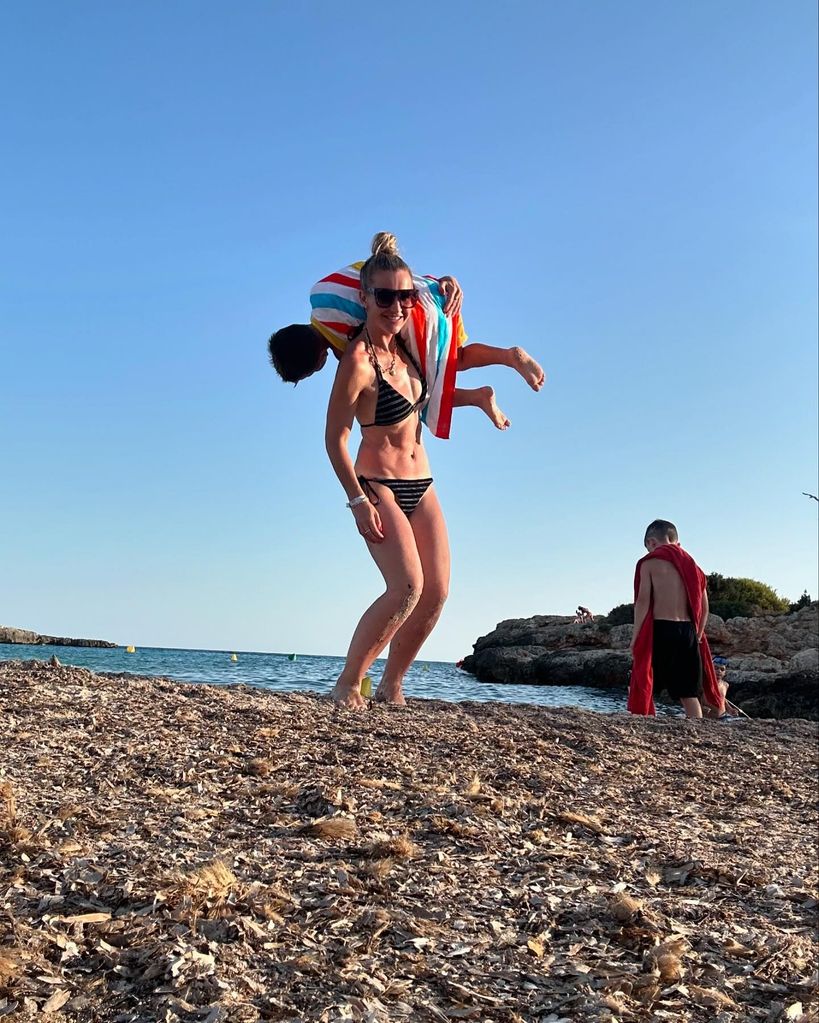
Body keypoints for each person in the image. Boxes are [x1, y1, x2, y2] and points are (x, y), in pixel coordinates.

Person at [324, 234, 456, 708]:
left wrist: (444, 289)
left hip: (424, 484)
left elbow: (449, 372)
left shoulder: (409, 348)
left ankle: (391, 684)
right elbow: (334, 438)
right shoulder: (357, 362)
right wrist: (357, 500)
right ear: (364, 298)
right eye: (384, 296)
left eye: (404, 295)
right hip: (375, 484)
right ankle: (347, 682)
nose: (396, 305)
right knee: (405, 587)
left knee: (436, 593)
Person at [268, 237, 545, 439]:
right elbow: (371, 269)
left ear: (317, 362)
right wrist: (437, 281)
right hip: (426, 290)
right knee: (458, 357)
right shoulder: (318, 291)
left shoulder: (345, 350)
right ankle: (508, 356)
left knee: (413, 391)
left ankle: (476, 397)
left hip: (410, 313)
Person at [628, 519, 725, 719]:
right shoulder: (695, 569)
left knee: (644, 681)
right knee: (689, 694)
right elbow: (704, 609)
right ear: (676, 541)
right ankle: (695, 735)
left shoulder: (649, 563)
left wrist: (636, 637)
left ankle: (642, 727)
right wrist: (697, 635)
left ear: (652, 542)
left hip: (660, 628)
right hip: (687, 631)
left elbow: (643, 602)